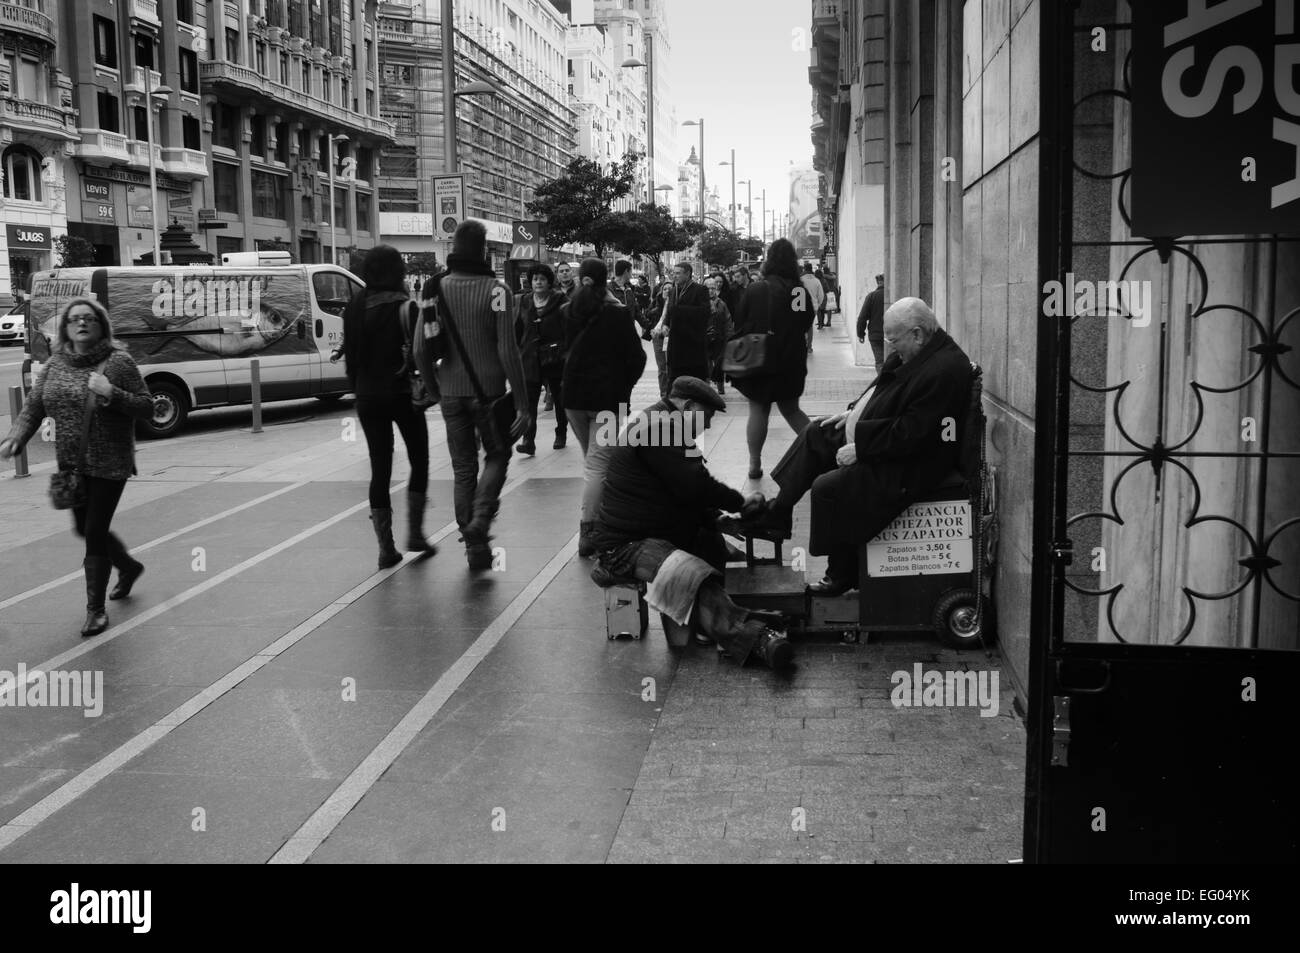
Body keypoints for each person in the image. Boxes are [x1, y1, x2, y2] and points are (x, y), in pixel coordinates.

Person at [748, 297, 973, 595]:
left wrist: (862, 449)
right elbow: (879, 391)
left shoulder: (945, 369)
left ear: (917, 334)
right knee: (817, 433)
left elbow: (915, 433)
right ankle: (777, 515)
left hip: (913, 463)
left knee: (829, 487)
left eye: (894, 341)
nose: (890, 348)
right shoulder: (915, 354)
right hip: (883, 436)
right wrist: (852, 412)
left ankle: (841, 574)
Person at [589, 376, 794, 669]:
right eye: (707, 416)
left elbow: (680, 492)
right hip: (625, 545)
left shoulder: (663, 423)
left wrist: (716, 519)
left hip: (654, 530)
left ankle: (719, 618)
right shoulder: (659, 428)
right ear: (688, 406)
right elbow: (695, 486)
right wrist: (739, 503)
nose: (709, 425)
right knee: (690, 575)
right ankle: (757, 638)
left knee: (719, 549)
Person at [1, 297, 153, 637]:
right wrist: (15, 439)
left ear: (101, 325)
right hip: (71, 463)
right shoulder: (55, 364)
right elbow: (33, 408)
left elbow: (146, 407)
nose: (81, 323)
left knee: (95, 532)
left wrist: (111, 392)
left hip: (110, 462)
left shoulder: (118, 363)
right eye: (74, 319)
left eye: (88, 318)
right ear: (66, 328)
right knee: (84, 529)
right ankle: (128, 567)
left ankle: (95, 611)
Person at [421, 220, 531, 571]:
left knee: (463, 467)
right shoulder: (498, 291)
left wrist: (436, 389)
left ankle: (472, 543)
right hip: (490, 393)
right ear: (484, 250)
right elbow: (508, 350)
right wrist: (524, 403)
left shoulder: (434, 290)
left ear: (454, 247)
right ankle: (480, 519)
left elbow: (421, 352)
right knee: (498, 454)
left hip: (451, 393)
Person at [342, 245, 437, 570]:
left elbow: (351, 361)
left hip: (367, 397)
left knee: (379, 467)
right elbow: (420, 354)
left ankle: (386, 548)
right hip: (401, 395)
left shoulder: (354, 307)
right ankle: (416, 533)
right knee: (419, 459)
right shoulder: (406, 307)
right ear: (397, 272)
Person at [563, 258, 647, 557]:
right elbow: (638, 359)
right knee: (598, 464)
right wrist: (624, 387)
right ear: (605, 279)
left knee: (593, 461)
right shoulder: (618, 314)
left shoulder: (567, 311)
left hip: (573, 400)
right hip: (607, 402)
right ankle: (589, 530)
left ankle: (600, 520)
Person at [731, 238, 813, 480]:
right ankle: (821, 451)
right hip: (790, 359)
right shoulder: (798, 290)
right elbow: (804, 322)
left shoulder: (756, 289)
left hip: (759, 358)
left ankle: (754, 464)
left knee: (758, 408)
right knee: (792, 410)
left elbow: (740, 321)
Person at [512, 262, 569, 454]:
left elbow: (568, 328)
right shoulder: (525, 301)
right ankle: (528, 440)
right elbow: (518, 328)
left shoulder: (560, 300)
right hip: (530, 358)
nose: (538, 282)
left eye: (542, 279)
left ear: (549, 282)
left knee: (559, 399)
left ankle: (561, 433)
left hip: (554, 358)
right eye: (535, 279)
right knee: (530, 401)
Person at [653, 263, 710, 383]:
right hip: (675, 345)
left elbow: (704, 313)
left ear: (688, 274)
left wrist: (680, 310)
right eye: (674, 273)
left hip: (693, 345)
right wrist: (665, 325)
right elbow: (670, 311)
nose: (675, 276)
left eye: (678, 273)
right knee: (674, 381)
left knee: (694, 382)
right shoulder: (673, 290)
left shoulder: (700, 290)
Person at [703, 275, 733, 395]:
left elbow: (728, 321)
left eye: (712, 288)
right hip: (704, 338)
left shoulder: (721, 304)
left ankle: (720, 388)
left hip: (719, 338)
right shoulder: (700, 303)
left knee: (719, 364)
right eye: (708, 288)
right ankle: (707, 388)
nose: (710, 291)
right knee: (707, 365)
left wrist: (729, 336)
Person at [610, 259, 647, 338]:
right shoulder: (608, 290)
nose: (631, 274)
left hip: (629, 334)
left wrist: (651, 328)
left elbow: (637, 312)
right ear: (626, 271)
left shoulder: (629, 290)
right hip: (613, 335)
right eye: (631, 271)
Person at [857, 273, 886, 371]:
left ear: (878, 283)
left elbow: (862, 317)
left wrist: (861, 334)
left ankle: (883, 383)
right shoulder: (892, 296)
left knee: (880, 362)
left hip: (875, 335)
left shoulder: (871, 296)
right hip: (892, 335)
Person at [799, 263, 825, 352]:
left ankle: (801, 345)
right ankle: (809, 347)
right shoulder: (817, 281)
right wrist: (817, 305)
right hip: (813, 307)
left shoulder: (800, 280)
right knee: (809, 327)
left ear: (804, 270)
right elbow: (821, 295)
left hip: (800, 306)